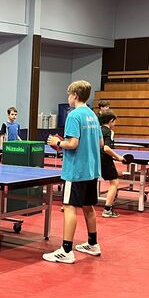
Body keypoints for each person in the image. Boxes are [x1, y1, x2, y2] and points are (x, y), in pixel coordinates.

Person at [43, 80, 104, 264]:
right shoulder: (93, 115)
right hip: (91, 169)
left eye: (69, 94)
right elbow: (101, 143)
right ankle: (93, 244)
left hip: (75, 170)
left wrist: (57, 142)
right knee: (88, 207)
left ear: (75, 95)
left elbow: (72, 143)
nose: (68, 98)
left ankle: (66, 250)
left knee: (69, 207)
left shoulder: (73, 115)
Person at [99, 111, 127, 217]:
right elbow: (106, 148)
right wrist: (118, 157)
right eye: (114, 121)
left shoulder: (97, 129)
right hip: (104, 159)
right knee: (114, 182)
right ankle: (107, 210)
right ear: (111, 121)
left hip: (94, 158)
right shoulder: (108, 131)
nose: (115, 123)